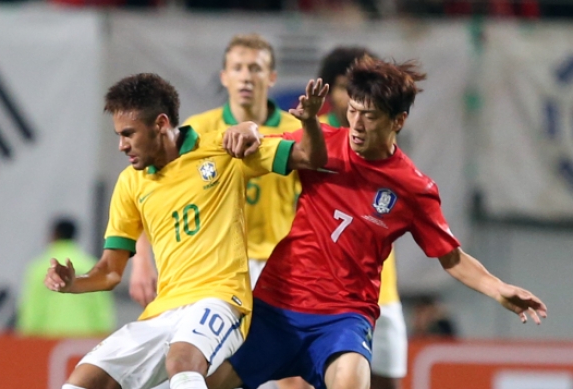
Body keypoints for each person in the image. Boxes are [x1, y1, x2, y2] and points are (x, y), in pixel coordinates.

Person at [206, 56, 547, 389]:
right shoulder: (320, 146)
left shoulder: (414, 188)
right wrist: (246, 128)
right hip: (278, 305)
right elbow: (255, 146)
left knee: (353, 381)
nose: (356, 124)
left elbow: (452, 258)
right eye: (353, 110)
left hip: (344, 317)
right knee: (205, 383)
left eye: (369, 116)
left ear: (398, 120)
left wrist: (497, 287)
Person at [44, 73, 329, 389]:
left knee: (182, 361)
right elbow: (110, 272)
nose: (122, 145)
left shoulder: (223, 149)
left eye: (128, 134)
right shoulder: (130, 183)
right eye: (118, 135)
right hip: (163, 312)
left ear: (161, 123)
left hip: (221, 298)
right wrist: (74, 283)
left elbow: (310, 158)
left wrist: (309, 122)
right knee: (82, 381)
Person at [129, 33, 304, 389]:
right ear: (223, 76)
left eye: (255, 68)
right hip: (211, 271)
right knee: (196, 370)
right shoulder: (200, 130)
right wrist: (142, 259)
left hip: (277, 269)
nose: (246, 76)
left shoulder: (295, 131)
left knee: (289, 379)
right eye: (237, 68)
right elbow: (156, 194)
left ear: (271, 78)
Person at [318, 46, 406, 389]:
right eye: (344, 86)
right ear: (328, 92)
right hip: (326, 296)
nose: (355, 96)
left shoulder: (385, 143)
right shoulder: (311, 142)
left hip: (382, 294)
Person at [17, 217, 116, 337]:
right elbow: (101, 311)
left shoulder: (39, 268)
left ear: (54, 235)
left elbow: (31, 312)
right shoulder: (92, 266)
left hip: (47, 341)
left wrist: (26, 339)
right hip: (84, 340)